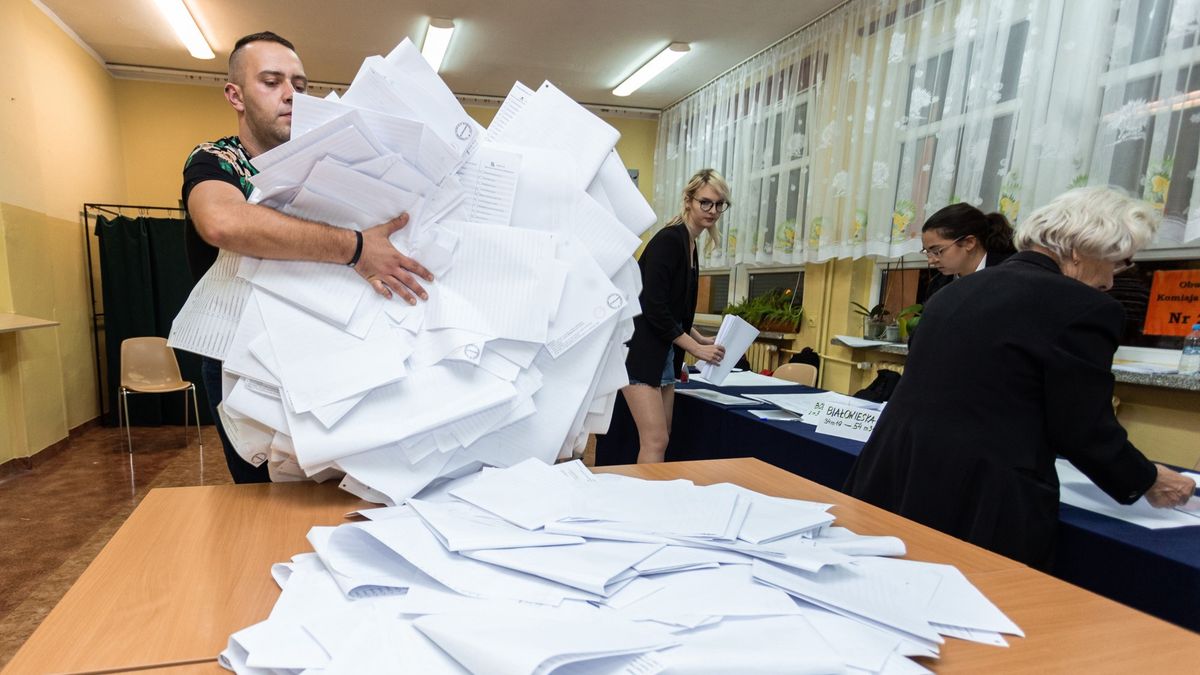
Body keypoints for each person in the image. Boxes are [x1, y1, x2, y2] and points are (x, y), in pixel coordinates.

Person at [845, 187, 1195, 569]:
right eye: (1118, 261)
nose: (1112, 281)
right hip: (979, 499)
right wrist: (1147, 480)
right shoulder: (1083, 307)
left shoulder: (953, 293)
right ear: (1081, 248)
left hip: (896, 475)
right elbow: (1081, 426)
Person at [182, 32, 432, 483]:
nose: (290, 95)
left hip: (321, 344)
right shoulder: (219, 159)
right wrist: (356, 247)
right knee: (263, 492)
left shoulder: (328, 159)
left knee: (336, 485)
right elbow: (222, 222)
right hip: (240, 354)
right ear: (235, 95)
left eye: (298, 83)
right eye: (271, 82)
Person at [622, 169, 729, 464]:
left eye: (720, 205)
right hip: (641, 353)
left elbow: (674, 309)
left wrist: (697, 337)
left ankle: (651, 500)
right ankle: (642, 507)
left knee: (663, 435)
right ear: (689, 200)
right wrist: (695, 348)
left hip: (664, 352)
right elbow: (652, 307)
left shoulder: (691, 244)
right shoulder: (670, 239)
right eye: (705, 202)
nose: (713, 211)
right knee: (655, 440)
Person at [920, 203, 1016, 298]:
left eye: (937, 251)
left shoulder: (1011, 276)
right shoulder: (938, 286)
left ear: (969, 242)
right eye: (927, 252)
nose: (931, 261)